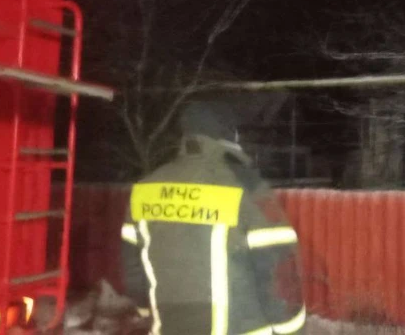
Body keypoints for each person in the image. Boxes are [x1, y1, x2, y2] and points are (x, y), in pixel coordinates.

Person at [120, 121, 306, 335]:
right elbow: (277, 266)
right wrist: (290, 327)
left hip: (168, 326)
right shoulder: (246, 185)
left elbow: (132, 264)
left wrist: (144, 308)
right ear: (231, 140)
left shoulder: (146, 188)